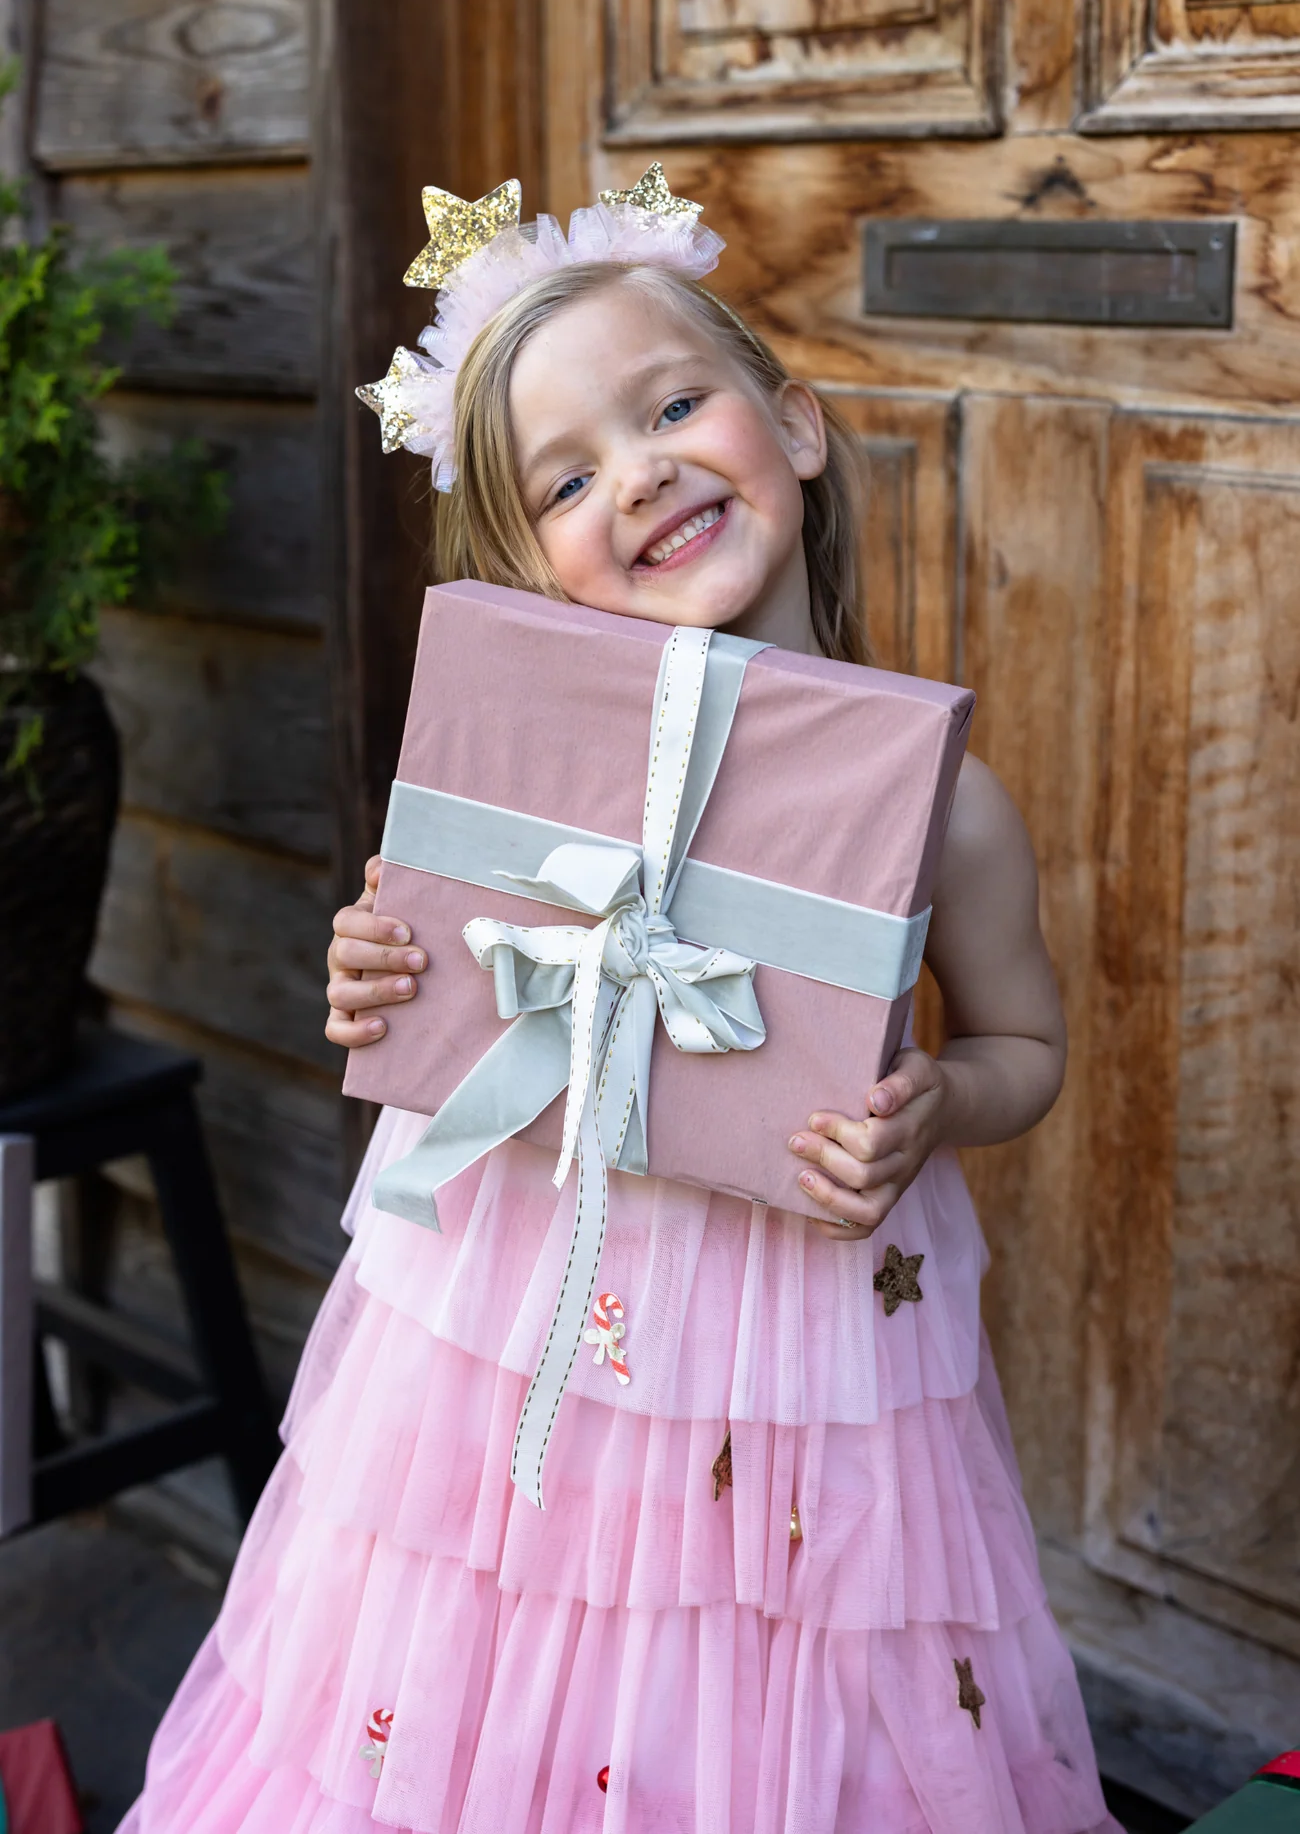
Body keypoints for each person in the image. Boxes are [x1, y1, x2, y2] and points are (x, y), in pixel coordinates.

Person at [120, 171, 1122, 1833]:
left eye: (674, 406)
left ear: (792, 427)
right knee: (483, 1673)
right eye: (570, 478)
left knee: (763, 1704)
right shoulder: (513, 787)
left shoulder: (944, 803)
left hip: (797, 1373)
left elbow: (1026, 1047)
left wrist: (944, 1096)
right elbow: (417, 994)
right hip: (516, 1333)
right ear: (536, 574)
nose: (641, 471)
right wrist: (369, 973)